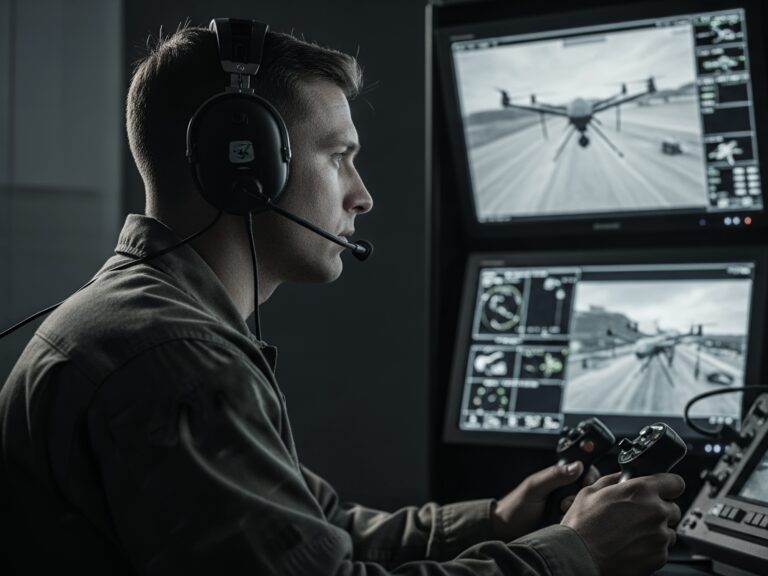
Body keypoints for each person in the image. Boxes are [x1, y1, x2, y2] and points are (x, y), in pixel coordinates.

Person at [0, 22, 684, 575]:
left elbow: (310, 534)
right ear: (245, 164)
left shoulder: (151, 322)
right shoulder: (175, 360)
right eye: (337, 156)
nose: (362, 195)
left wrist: (499, 522)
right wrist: (578, 554)